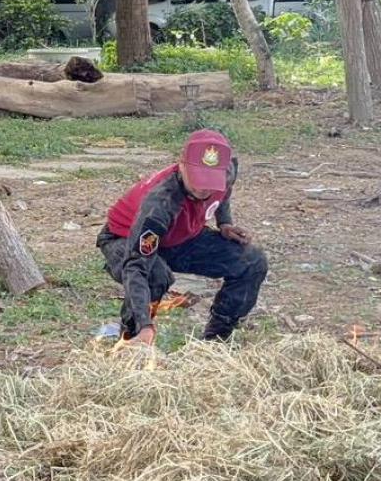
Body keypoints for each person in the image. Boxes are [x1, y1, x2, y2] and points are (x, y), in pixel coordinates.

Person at [97, 129, 268, 345]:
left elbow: (224, 193)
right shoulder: (160, 203)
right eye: (198, 179)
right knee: (155, 276)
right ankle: (132, 339)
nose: (204, 188)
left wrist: (224, 223)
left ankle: (216, 342)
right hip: (124, 238)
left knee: (252, 261)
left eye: (211, 181)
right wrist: (144, 325)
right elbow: (136, 266)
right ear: (182, 164)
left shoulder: (227, 172)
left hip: (180, 235)